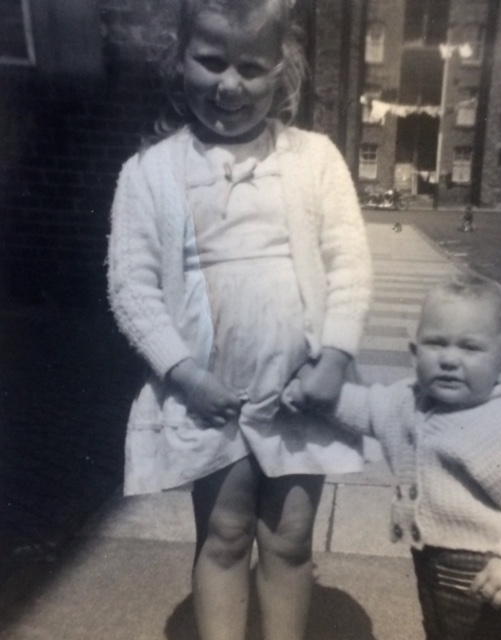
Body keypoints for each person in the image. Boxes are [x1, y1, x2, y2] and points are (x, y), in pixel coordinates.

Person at [107, 1, 372, 639]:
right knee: (225, 534)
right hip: (211, 393)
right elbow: (132, 287)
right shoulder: (150, 173)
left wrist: (334, 358)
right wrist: (184, 374)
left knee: (289, 537)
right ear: (180, 60)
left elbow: (349, 262)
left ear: (283, 70)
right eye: (211, 61)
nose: (230, 85)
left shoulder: (313, 159)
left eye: (251, 68)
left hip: (299, 387)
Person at [288, 274, 501, 639]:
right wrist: (315, 397)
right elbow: (364, 407)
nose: (449, 359)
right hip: (437, 570)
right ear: (414, 353)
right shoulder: (406, 401)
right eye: (436, 344)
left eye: (470, 348)